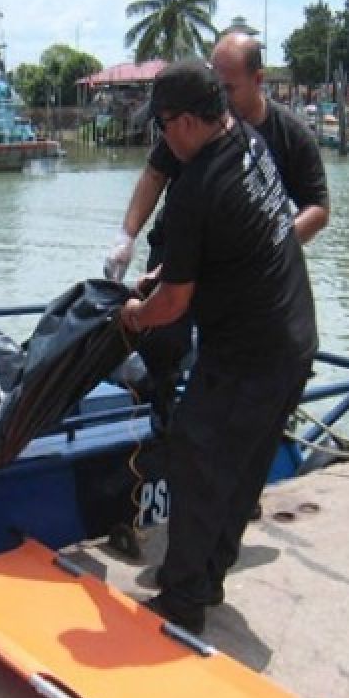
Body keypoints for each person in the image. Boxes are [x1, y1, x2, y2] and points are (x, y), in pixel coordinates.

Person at [119, 61, 318, 635]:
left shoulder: (198, 188)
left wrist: (137, 313)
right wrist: (163, 273)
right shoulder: (249, 143)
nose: (160, 138)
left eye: (161, 126)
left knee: (196, 458)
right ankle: (205, 577)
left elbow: (173, 307)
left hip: (248, 353)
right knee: (242, 468)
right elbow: (225, 248)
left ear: (185, 121)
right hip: (293, 338)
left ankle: (182, 600)